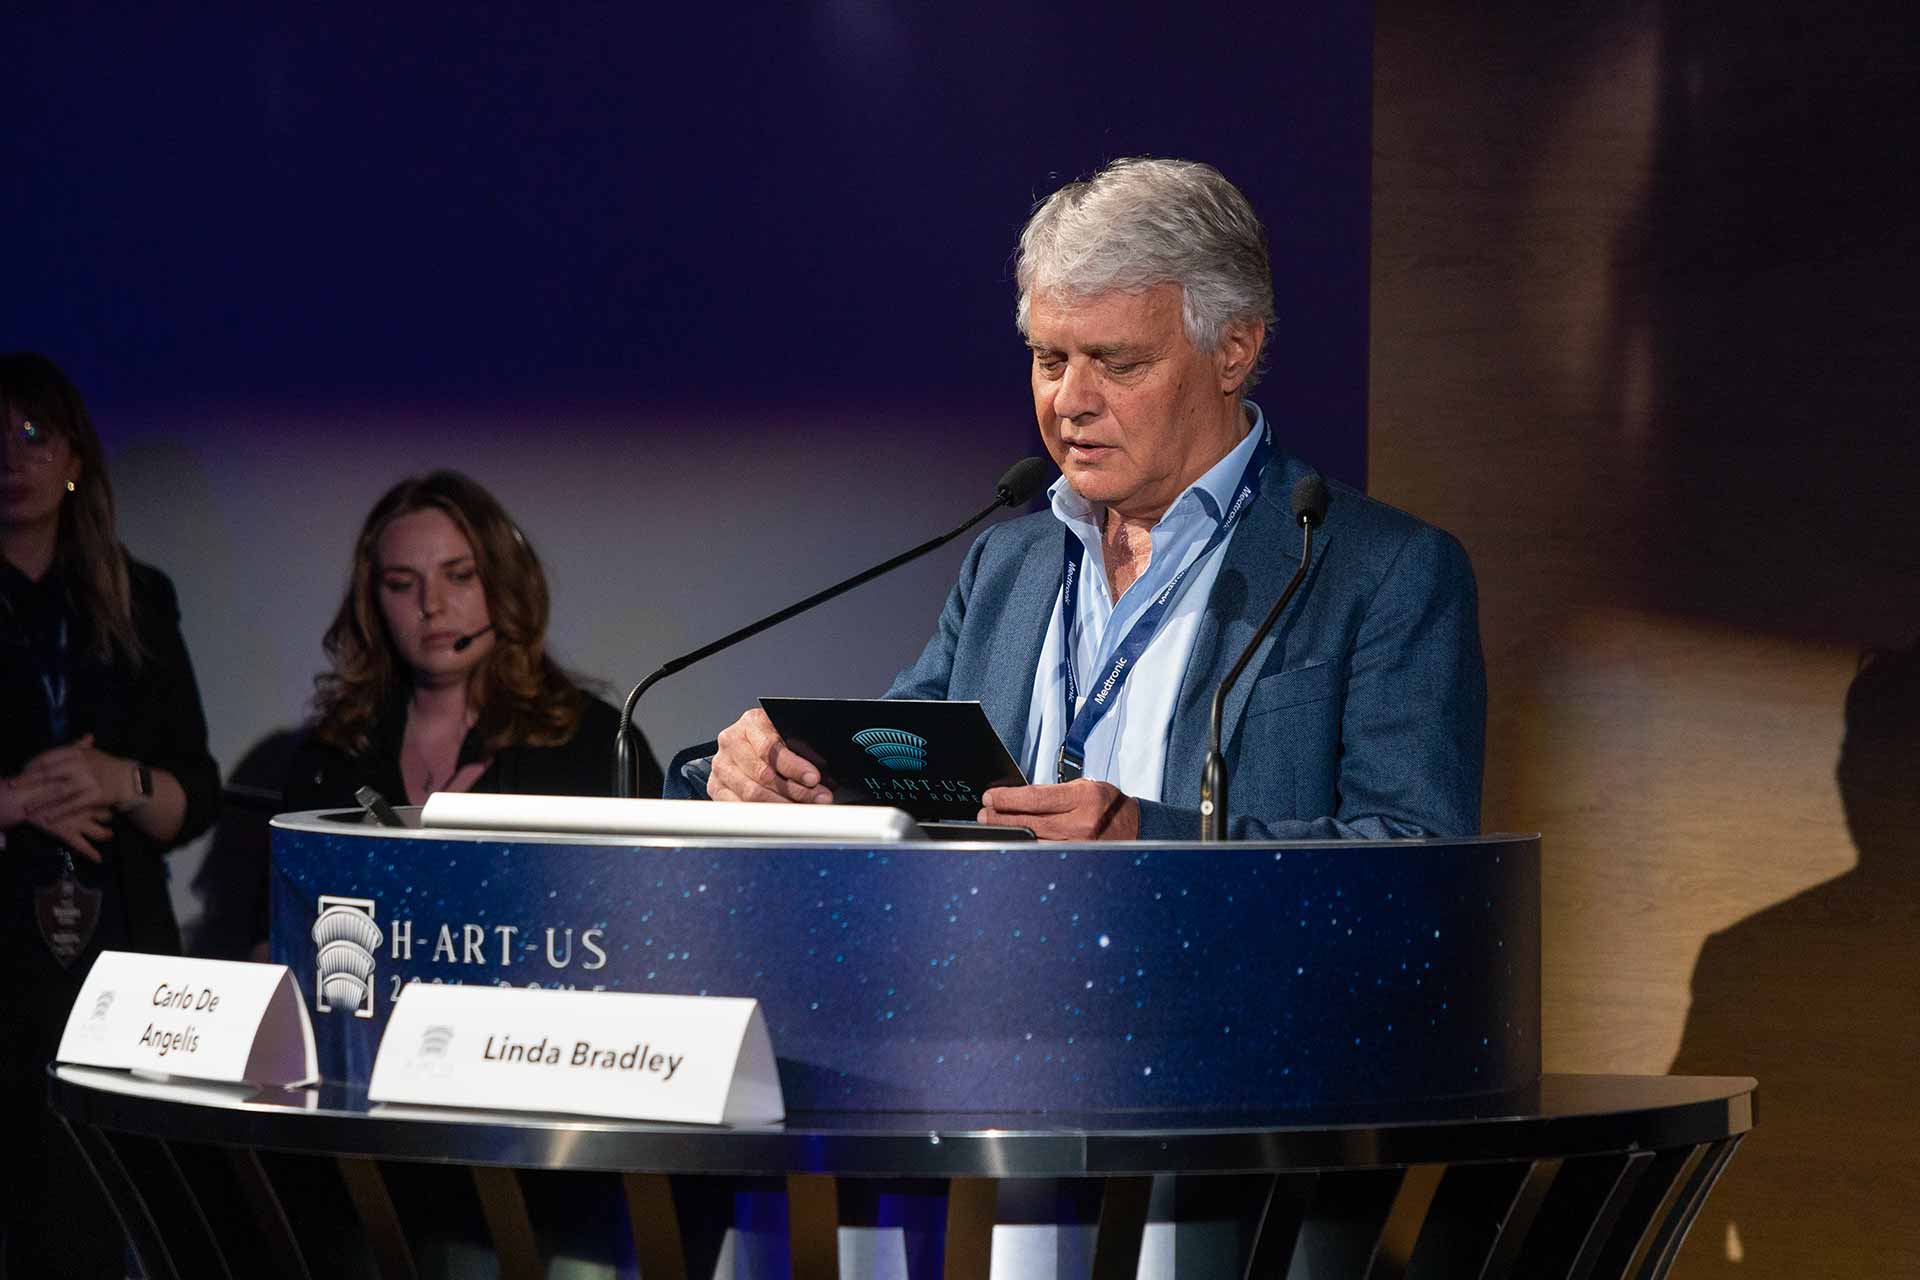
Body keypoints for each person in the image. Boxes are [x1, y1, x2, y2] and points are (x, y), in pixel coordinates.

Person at [686, 157, 1485, 840]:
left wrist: (1148, 840)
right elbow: (889, 771)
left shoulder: (1381, 572)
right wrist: (775, 771)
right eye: (1049, 359)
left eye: (1117, 362)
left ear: (1233, 351)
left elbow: (1413, 851)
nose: (1070, 400)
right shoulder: (1006, 562)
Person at [1, 351, 222, 1277]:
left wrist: (115, 780)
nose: (12, 458)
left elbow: (194, 797)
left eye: (32, 434)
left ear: (74, 457)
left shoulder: (138, 595)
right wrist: (15, 801)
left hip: (120, 953)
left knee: (112, 1223)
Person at [285, 470, 661, 813]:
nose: (431, 605)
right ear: (372, 602)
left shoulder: (595, 742)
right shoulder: (332, 754)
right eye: (401, 584)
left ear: (505, 583)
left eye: (460, 576)